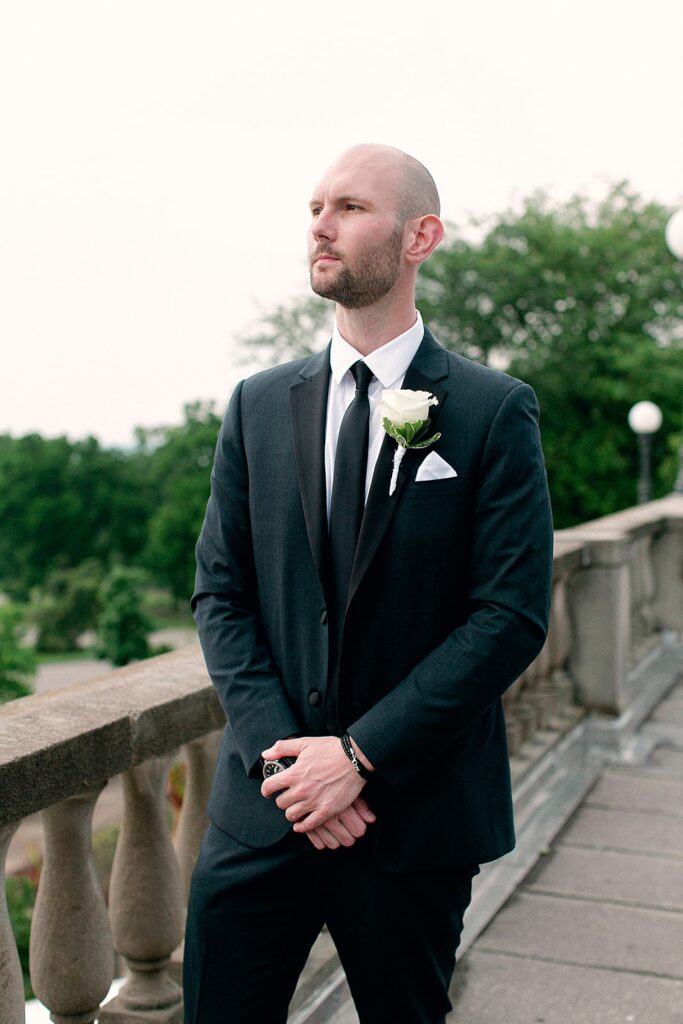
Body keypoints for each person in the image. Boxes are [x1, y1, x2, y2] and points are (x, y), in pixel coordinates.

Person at [184, 143, 554, 1024]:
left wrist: (358, 759)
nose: (320, 223)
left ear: (419, 235)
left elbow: (507, 615)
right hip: (261, 815)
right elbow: (220, 596)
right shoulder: (255, 404)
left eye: (348, 206)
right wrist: (292, 765)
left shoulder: (491, 410)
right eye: (314, 206)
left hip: (409, 818)